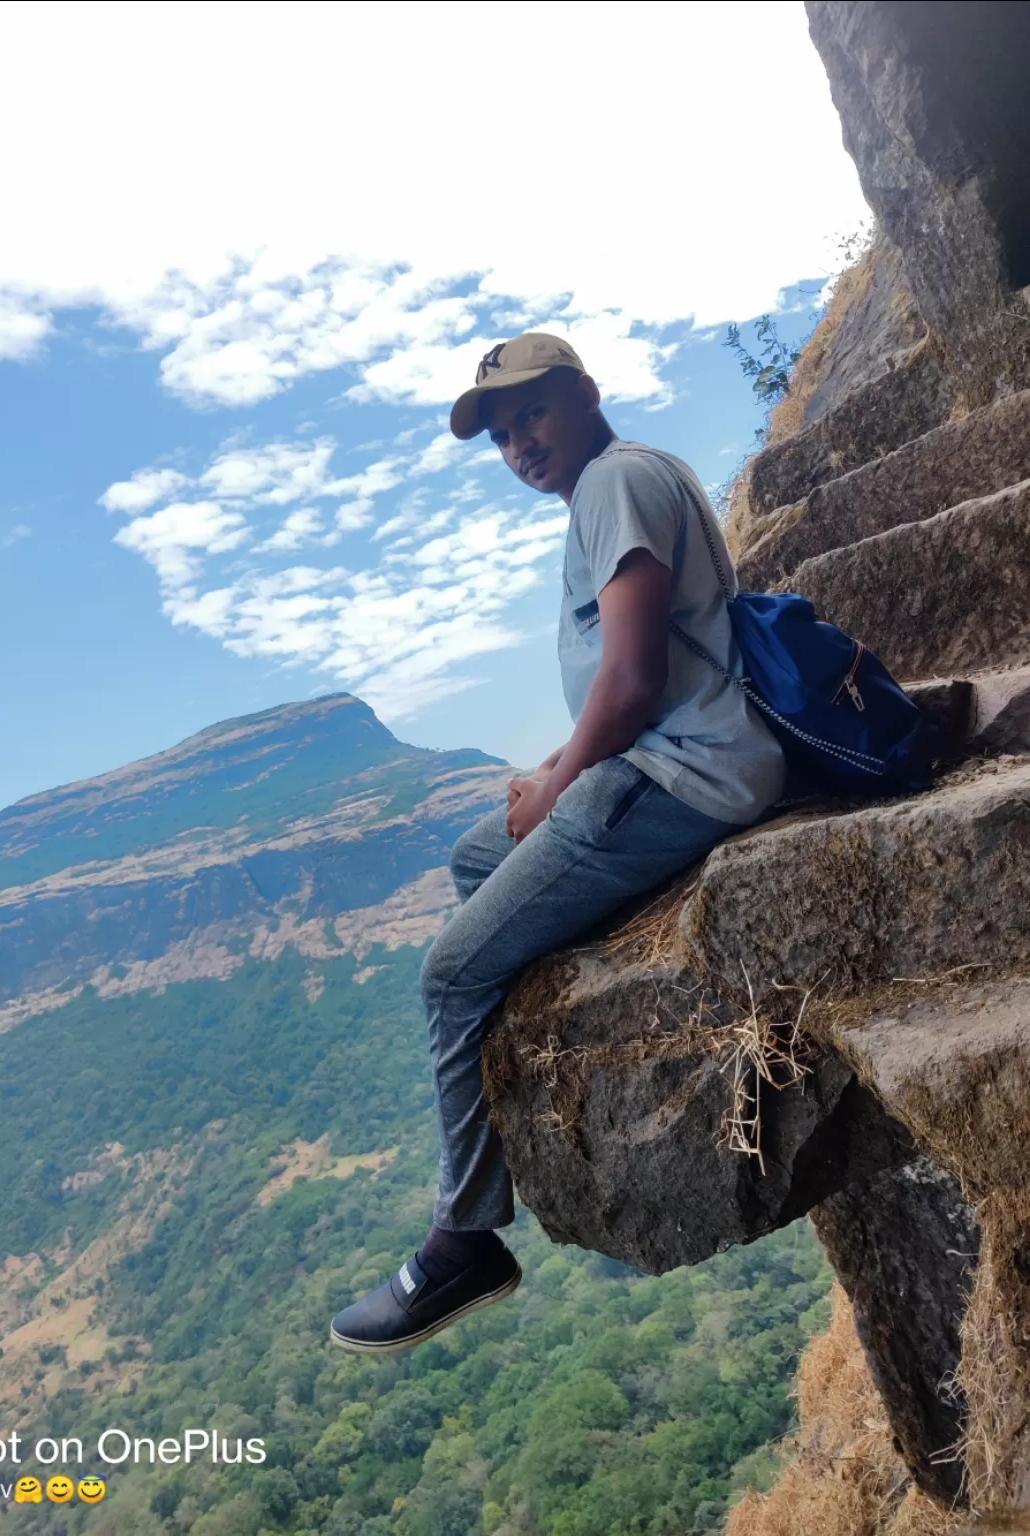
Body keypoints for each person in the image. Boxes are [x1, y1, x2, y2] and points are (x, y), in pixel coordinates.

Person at [329, 332, 786, 1354]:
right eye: (499, 435)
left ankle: (466, 1238)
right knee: (474, 863)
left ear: (584, 395)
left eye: (531, 414)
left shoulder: (611, 484)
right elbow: (643, 677)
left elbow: (628, 687)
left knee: (450, 977)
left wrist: (562, 785)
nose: (519, 444)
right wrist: (547, 775)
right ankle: (558, 1005)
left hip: (679, 778)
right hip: (668, 762)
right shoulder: (629, 479)